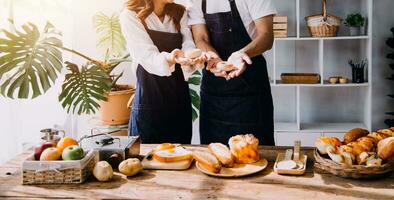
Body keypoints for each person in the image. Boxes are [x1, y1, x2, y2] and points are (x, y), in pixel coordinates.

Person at [188, 0, 277, 145]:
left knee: (254, 156)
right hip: (214, 95)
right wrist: (215, 61)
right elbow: (201, 38)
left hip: (250, 95)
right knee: (215, 159)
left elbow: (267, 36)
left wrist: (241, 54)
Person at [120, 0, 206, 144]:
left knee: (181, 157)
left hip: (179, 100)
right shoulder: (130, 14)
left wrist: (191, 55)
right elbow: (146, 55)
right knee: (147, 161)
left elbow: (187, 42)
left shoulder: (180, 13)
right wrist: (172, 57)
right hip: (149, 102)